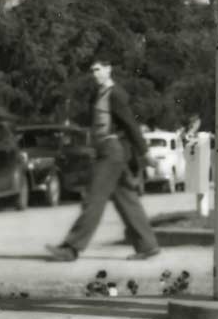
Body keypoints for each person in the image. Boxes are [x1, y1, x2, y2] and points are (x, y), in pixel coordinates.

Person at [46, 55, 160, 262]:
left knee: (93, 199)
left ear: (109, 70)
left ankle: (71, 248)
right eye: (92, 70)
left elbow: (130, 125)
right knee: (127, 199)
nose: (95, 74)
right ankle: (147, 245)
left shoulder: (115, 94)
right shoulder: (100, 94)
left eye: (98, 69)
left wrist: (145, 152)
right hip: (107, 151)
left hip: (111, 152)